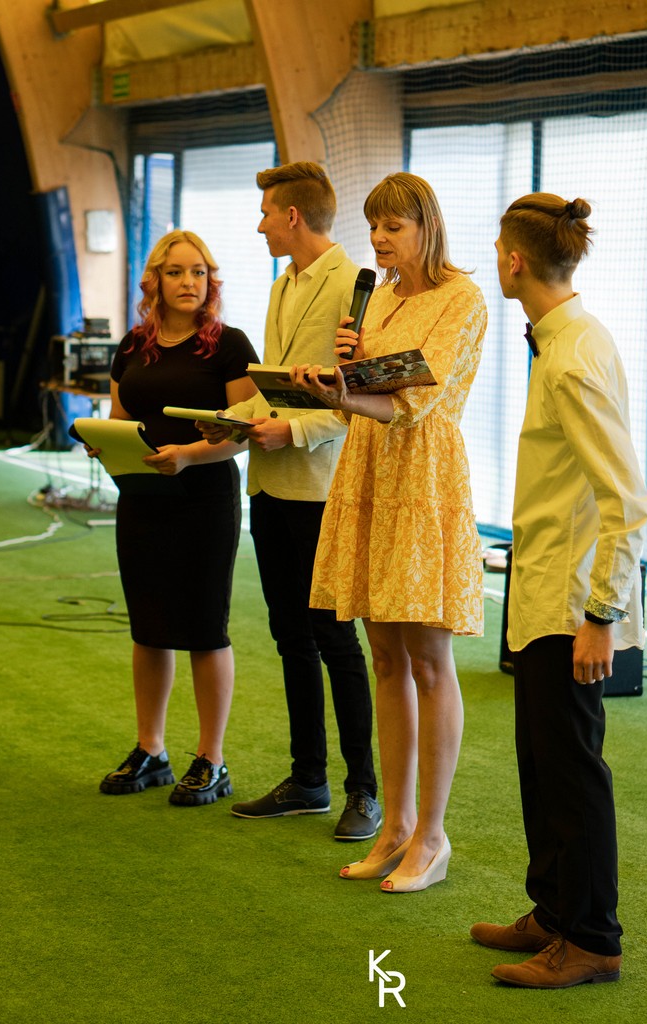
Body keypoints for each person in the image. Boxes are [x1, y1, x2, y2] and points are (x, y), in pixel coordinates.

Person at [470, 194, 647, 986]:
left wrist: (600, 615)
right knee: (541, 765)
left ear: (514, 261)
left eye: (496, 251)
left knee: (572, 773)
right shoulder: (562, 339)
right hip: (541, 591)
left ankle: (592, 940)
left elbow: (627, 501)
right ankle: (551, 912)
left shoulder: (572, 355)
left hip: (569, 606)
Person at [293, 172, 487, 892]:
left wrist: (350, 390)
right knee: (383, 658)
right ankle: (397, 826)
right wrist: (335, 382)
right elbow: (368, 397)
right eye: (373, 227)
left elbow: (415, 401)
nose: (377, 240)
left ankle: (432, 837)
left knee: (429, 661)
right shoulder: (376, 296)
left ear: (426, 227)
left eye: (392, 227)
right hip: (368, 468)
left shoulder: (462, 298)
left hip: (423, 476)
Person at [199, 162, 381, 841]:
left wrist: (292, 431)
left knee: (335, 639)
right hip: (270, 487)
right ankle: (309, 780)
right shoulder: (284, 283)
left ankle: (364, 791)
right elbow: (277, 387)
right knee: (290, 638)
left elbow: (355, 398)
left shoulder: (355, 285)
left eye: (266, 213)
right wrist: (229, 420)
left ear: (293, 216)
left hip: (320, 491)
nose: (260, 226)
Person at [97, 229, 257, 806]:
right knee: (149, 626)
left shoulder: (230, 346)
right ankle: (152, 750)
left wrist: (189, 455)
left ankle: (212, 759)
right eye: (176, 272)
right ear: (155, 282)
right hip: (141, 498)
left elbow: (245, 430)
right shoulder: (132, 345)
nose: (189, 282)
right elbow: (119, 419)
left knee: (205, 629)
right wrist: (102, 442)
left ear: (211, 281)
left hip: (205, 499)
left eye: (198, 272)